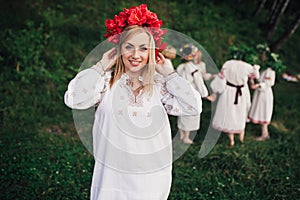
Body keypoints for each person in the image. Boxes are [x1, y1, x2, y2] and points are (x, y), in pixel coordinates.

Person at [64, 4, 201, 200]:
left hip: (150, 181)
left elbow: (193, 105)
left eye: (143, 49)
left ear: (152, 52)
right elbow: (74, 99)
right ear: (118, 49)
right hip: (112, 180)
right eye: (129, 47)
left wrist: (170, 74)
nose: (136, 55)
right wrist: (101, 65)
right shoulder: (105, 82)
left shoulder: (161, 85)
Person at [210, 58, 260, 147]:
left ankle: (232, 141)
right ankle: (241, 140)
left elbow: (221, 78)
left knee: (230, 114)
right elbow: (255, 76)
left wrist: (215, 91)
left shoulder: (227, 63)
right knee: (241, 113)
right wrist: (256, 68)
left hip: (229, 91)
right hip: (242, 92)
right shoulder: (248, 66)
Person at [176, 44, 205, 144]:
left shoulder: (180, 67)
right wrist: (204, 94)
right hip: (191, 94)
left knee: (182, 114)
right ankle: (186, 137)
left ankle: (182, 134)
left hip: (181, 93)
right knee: (190, 114)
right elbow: (199, 82)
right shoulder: (193, 68)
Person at [248, 67, 276, 141]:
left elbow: (269, 83)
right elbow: (259, 78)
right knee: (259, 111)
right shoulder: (262, 69)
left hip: (265, 94)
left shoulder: (270, 71)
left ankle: (265, 134)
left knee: (264, 111)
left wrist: (258, 85)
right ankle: (264, 133)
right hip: (259, 93)